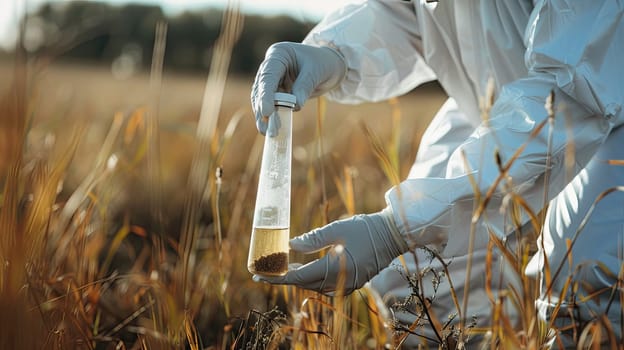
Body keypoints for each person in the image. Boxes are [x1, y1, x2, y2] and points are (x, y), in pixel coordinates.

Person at [250, 0, 624, 348]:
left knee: (590, 281)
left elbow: (572, 87)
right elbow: (407, 11)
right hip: (495, 99)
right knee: (415, 282)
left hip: (603, 106)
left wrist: (395, 228)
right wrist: (334, 52)